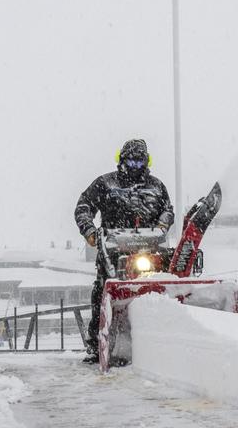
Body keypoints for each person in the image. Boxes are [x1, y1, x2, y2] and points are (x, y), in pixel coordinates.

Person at [73, 138, 174, 359]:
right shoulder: (105, 184)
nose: (135, 167)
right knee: (102, 291)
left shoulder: (157, 187)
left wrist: (162, 224)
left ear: (147, 162)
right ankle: (97, 341)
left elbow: (168, 210)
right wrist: (89, 231)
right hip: (113, 250)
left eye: (140, 162)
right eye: (131, 161)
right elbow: (83, 206)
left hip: (149, 249)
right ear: (121, 160)